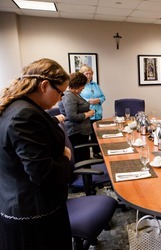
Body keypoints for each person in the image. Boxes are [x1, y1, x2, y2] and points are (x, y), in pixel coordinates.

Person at [0, 58, 73, 250]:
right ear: (44, 85)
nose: (61, 98)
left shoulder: (15, 108)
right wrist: (66, 157)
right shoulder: (25, 115)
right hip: (35, 213)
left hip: (19, 204)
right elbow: (43, 173)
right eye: (60, 93)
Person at [59, 72, 95, 163]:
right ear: (77, 84)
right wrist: (88, 114)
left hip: (81, 132)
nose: (83, 88)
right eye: (83, 86)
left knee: (85, 157)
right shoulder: (68, 96)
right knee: (82, 160)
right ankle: (84, 176)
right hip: (76, 132)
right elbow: (72, 116)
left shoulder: (75, 94)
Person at [79, 65, 106, 159]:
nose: (89, 75)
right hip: (87, 114)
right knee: (88, 134)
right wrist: (89, 101)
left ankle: (97, 152)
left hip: (98, 113)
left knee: (97, 135)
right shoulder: (80, 86)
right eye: (86, 73)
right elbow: (78, 99)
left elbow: (103, 97)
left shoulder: (95, 85)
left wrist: (99, 100)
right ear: (82, 74)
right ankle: (87, 156)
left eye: (90, 73)